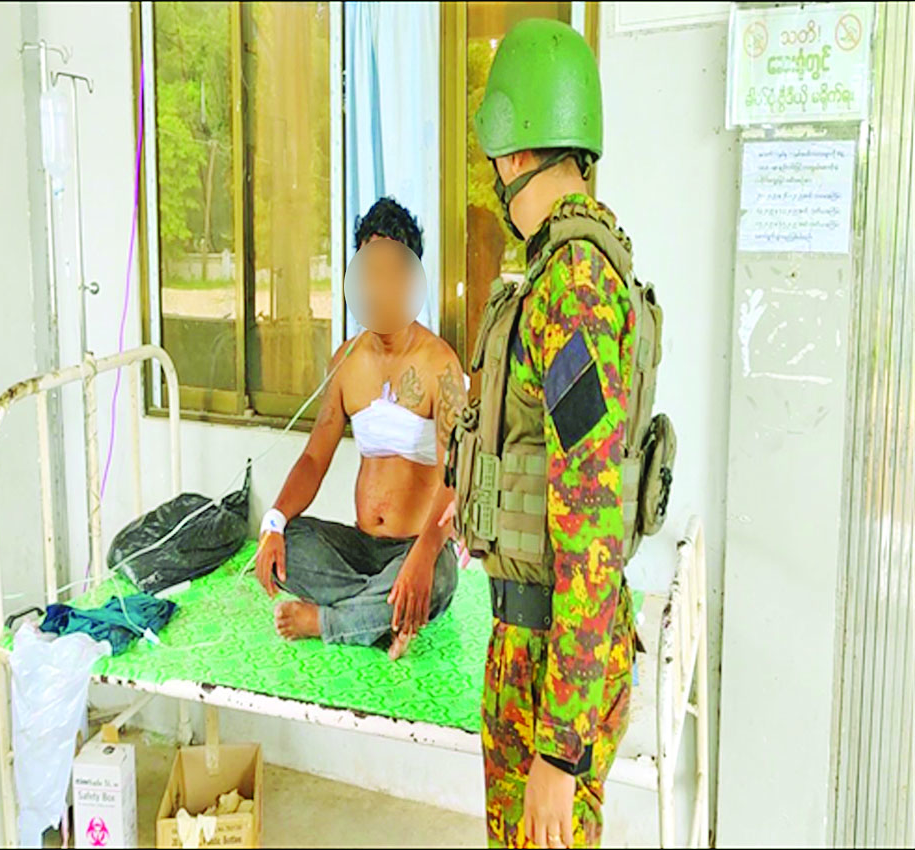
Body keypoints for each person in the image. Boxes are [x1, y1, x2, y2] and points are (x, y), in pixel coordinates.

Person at [444, 18, 669, 849]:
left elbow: (591, 519)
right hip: (537, 641)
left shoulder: (572, 284)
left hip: (552, 660)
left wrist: (559, 750)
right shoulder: (564, 269)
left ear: (512, 151)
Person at [255, 197, 468, 661]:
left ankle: (330, 621)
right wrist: (273, 523)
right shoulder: (346, 362)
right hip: (358, 548)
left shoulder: (440, 365)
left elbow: (456, 477)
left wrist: (423, 556)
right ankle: (386, 613)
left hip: (417, 545)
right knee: (290, 544)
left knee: (441, 578)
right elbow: (315, 458)